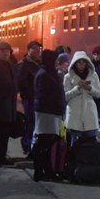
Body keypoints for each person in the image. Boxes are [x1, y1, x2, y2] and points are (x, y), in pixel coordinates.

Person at [31, 48, 66, 181]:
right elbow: (43, 96)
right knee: (44, 143)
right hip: (46, 113)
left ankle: (45, 171)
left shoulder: (48, 73)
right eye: (55, 59)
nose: (57, 62)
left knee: (47, 143)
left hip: (51, 113)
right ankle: (41, 171)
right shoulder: (44, 74)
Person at [63, 50, 100, 149]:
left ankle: (90, 163)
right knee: (74, 146)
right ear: (75, 63)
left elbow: (98, 93)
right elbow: (65, 96)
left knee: (91, 145)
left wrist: (89, 88)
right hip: (74, 114)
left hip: (89, 114)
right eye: (79, 62)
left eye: (83, 62)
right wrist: (77, 88)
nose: (81, 65)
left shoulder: (93, 75)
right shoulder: (68, 77)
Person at [16, 40, 43, 158]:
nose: (37, 52)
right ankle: (27, 145)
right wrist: (27, 94)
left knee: (35, 122)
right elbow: (21, 81)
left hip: (37, 98)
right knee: (30, 121)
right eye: (35, 49)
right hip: (29, 98)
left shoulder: (39, 63)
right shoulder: (24, 64)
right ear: (29, 50)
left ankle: (32, 145)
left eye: (38, 50)